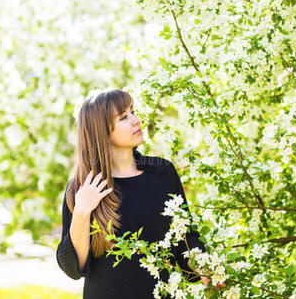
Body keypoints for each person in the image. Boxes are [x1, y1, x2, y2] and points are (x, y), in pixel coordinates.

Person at [56, 89, 219, 298]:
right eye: (124, 117)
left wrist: (201, 265)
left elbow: (184, 238)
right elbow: (73, 268)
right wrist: (81, 211)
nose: (136, 120)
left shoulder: (162, 172)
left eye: (133, 111)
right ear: (101, 130)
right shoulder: (83, 186)